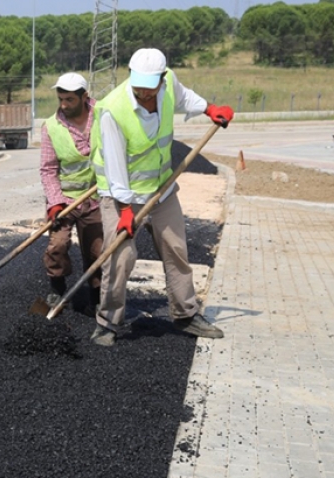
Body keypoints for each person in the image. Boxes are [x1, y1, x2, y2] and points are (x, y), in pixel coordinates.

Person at [89, 48, 234, 346]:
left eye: (149, 86)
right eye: (138, 85)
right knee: (120, 258)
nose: (143, 92)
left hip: (162, 189)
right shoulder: (113, 109)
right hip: (122, 195)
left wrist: (210, 108)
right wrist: (125, 210)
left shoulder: (168, 86)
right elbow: (115, 167)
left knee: (176, 249)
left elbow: (185, 97)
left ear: (162, 78)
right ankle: (108, 323)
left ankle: (185, 314)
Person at [39, 72, 103, 314]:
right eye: (60, 99)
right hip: (64, 199)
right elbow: (48, 169)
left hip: (96, 198)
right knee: (57, 245)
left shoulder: (103, 116)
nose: (63, 105)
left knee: (97, 250)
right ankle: (57, 289)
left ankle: (96, 297)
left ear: (84, 97)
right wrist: (55, 203)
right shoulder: (51, 127)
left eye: (69, 100)